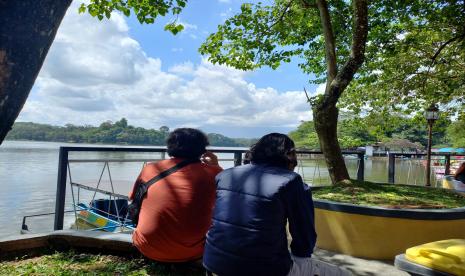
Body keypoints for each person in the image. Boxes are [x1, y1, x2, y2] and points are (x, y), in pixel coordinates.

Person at [203, 133, 317, 276]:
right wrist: (301, 257)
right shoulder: (291, 181)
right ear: (289, 155)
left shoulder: (225, 175)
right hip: (264, 268)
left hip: (214, 262)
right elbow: (304, 235)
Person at [129, 128, 222, 262]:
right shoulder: (214, 173)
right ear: (203, 149)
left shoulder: (150, 169)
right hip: (194, 251)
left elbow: (134, 198)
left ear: (170, 146)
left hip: (147, 247)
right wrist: (216, 166)